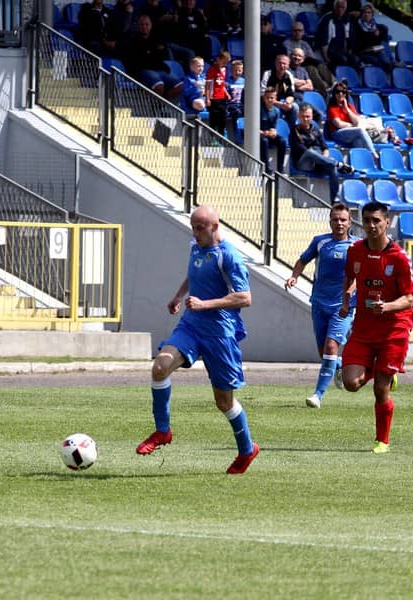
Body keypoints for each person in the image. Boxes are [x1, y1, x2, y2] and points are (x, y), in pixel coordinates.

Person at [135, 205, 259, 474]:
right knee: (160, 367)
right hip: (191, 326)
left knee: (224, 402)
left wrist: (205, 304)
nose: (195, 233)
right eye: (193, 227)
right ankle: (162, 430)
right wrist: (178, 296)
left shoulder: (229, 256)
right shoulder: (196, 246)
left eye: (200, 228)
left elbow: (245, 297)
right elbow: (193, 274)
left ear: (215, 226)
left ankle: (247, 449)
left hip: (220, 333)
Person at [338, 201, 413, 454]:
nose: (371, 225)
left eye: (376, 221)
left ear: (387, 223)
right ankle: (380, 368)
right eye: (367, 220)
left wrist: (388, 307)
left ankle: (382, 441)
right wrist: (346, 300)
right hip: (364, 326)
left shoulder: (399, 258)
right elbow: (349, 277)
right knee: (350, 383)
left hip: (394, 328)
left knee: (380, 388)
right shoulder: (355, 251)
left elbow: (409, 298)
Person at [284, 203, 359, 409]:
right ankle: (339, 366)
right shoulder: (320, 241)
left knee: (331, 346)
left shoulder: (357, 245)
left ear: (350, 222)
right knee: (323, 352)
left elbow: (360, 273)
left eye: (343, 220)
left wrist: (351, 290)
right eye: (335, 219)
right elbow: (302, 261)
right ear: (330, 221)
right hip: (319, 302)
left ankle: (318, 395)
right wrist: (294, 277)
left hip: (342, 306)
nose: (339, 223)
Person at [289, 103, 354, 202]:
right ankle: (338, 164)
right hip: (303, 163)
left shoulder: (315, 129)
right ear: (299, 116)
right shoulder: (294, 131)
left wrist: (324, 158)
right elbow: (302, 150)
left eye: (308, 116)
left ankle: (334, 199)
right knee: (310, 152)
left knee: (332, 168)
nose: (305, 119)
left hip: (318, 162)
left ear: (312, 116)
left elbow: (325, 147)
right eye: (303, 116)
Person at [122, 14, 183, 100]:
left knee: (180, 86)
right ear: (138, 26)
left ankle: (163, 103)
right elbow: (140, 60)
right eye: (142, 24)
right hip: (144, 70)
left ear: (151, 26)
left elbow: (163, 55)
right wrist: (153, 54)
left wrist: (151, 54)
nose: (144, 27)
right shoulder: (133, 40)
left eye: (146, 24)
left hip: (161, 69)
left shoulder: (157, 38)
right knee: (159, 86)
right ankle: (157, 106)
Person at [325, 81, 380, 159]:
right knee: (360, 130)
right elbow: (339, 124)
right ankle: (373, 153)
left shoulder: (349, 106)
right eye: (338, 92)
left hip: (349, 133)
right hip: (337, 133)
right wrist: (352, 125)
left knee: (358, 141)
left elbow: (356, 121)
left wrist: (347, 109)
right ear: (334, 94)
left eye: (343, 92)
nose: (340, 94)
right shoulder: (332, 108)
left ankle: (358, 161)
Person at [284, 21, 335, 93]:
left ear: (303, 32)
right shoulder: (287, 43)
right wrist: (303, 57)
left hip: (306, 63)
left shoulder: (305, 44)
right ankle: (325, 89)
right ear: (291, 32)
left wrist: (305, 58)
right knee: (311, 68)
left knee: (321, 65)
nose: (298, 32)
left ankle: (335, 83)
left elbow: (312, 58)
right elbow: (291, 58)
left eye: (300, 30)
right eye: (295, 30)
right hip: (296, 66)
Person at [352, 2, 395, 71]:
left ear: (372, 15)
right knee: (379, 58)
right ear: (361, 14)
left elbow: (379, 41)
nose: (366, 14)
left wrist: (377, 35)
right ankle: (391, 64)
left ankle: (392, 64)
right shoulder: (357, 26)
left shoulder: (376, 27)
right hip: (363, 51)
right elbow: (358, 43)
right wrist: (373, 35)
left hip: (374, 49)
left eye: (369, 13)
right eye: (364, 12)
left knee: (381, 50)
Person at [260, 54, 300, 128]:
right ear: (275, 64)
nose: (282, 66)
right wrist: (280, 104)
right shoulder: (267, 74)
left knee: (295, 107)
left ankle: (289, 129)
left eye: (284, 64)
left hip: (282, 102)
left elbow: (291, 95)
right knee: (276, 109)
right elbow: (262, 94)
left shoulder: (289, 75)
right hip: (268, 102)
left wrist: (287, 103)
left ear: (288, 65)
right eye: (280, 63)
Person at [317, 0, 359, 70]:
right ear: (334, 7)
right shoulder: (327, 19)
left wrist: (349, 52)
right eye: (338, 7)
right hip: (330, 50)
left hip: (342, 50)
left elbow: (350, 39)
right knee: (343, 59)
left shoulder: (347, 20)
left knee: (355, 60)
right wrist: (326, 58)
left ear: (345, 8)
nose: (340, 9)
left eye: (343, 7)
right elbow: (323, 41)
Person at [260, 87, 287, 174]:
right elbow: (253, 128)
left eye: (272, 98)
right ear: (264, 98)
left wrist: (273, 132)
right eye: (267, 97)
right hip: (259, 134)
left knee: (282, 141)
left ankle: (280, 170)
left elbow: (273, 127)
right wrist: (265, 132)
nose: (269, 100)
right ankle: (267, 169)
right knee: (264, 141)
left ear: (275, 98)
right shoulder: (258, 109)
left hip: (268, 134)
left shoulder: (276, 111)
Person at [205, 50, 231, 136]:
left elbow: (222, 84)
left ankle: (221, 136)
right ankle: (212, 137)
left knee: (223, 118)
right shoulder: (212, 70)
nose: (225, 64)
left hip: (222, 97)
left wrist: (226, 94)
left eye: (226, 63)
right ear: (218, 59)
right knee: (214, 118)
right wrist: (207, 99)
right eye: (223, 62)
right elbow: (207, 86)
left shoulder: (224, 69)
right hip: (213, 98)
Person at [225, 59, 245, 143]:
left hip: (242, 105)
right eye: (235, 70)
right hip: (231, 105)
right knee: (237, 113)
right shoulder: (227, 82)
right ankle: (237, 137)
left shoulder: (244, 81)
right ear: (231, 71)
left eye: (239, 70)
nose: (237, 72)